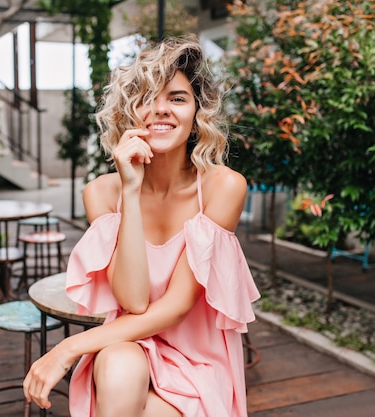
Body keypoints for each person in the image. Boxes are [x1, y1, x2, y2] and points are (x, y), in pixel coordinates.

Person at [23, 35, 260, 417]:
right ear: (129, 113)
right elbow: (133, 301)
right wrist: (130, 191)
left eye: (177, 98)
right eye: (147, 97)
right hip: (127, 348)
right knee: (118, 367)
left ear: (198, 112)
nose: (161, 109)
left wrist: (66, 348)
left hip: (196, 365)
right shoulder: (101, 192)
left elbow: (175, 308)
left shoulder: (223, 186)